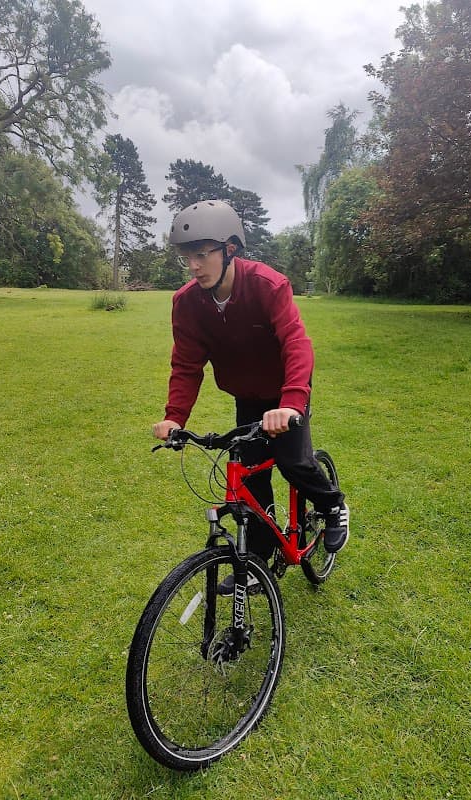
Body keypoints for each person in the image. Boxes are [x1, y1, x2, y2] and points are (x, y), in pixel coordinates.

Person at [152, 199, 349, 591]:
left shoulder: (267, 285)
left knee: (292, 461)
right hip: (247, 395)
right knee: (248, 476)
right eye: (186, 257)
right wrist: (176, 416)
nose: (193, 266)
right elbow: (187, 365)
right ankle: (259, 556)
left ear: (229, 250)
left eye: (201, 255)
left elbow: (297, 344)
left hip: (285, 394)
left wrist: (291, 403)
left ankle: (332, 506)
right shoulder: (187, 304)